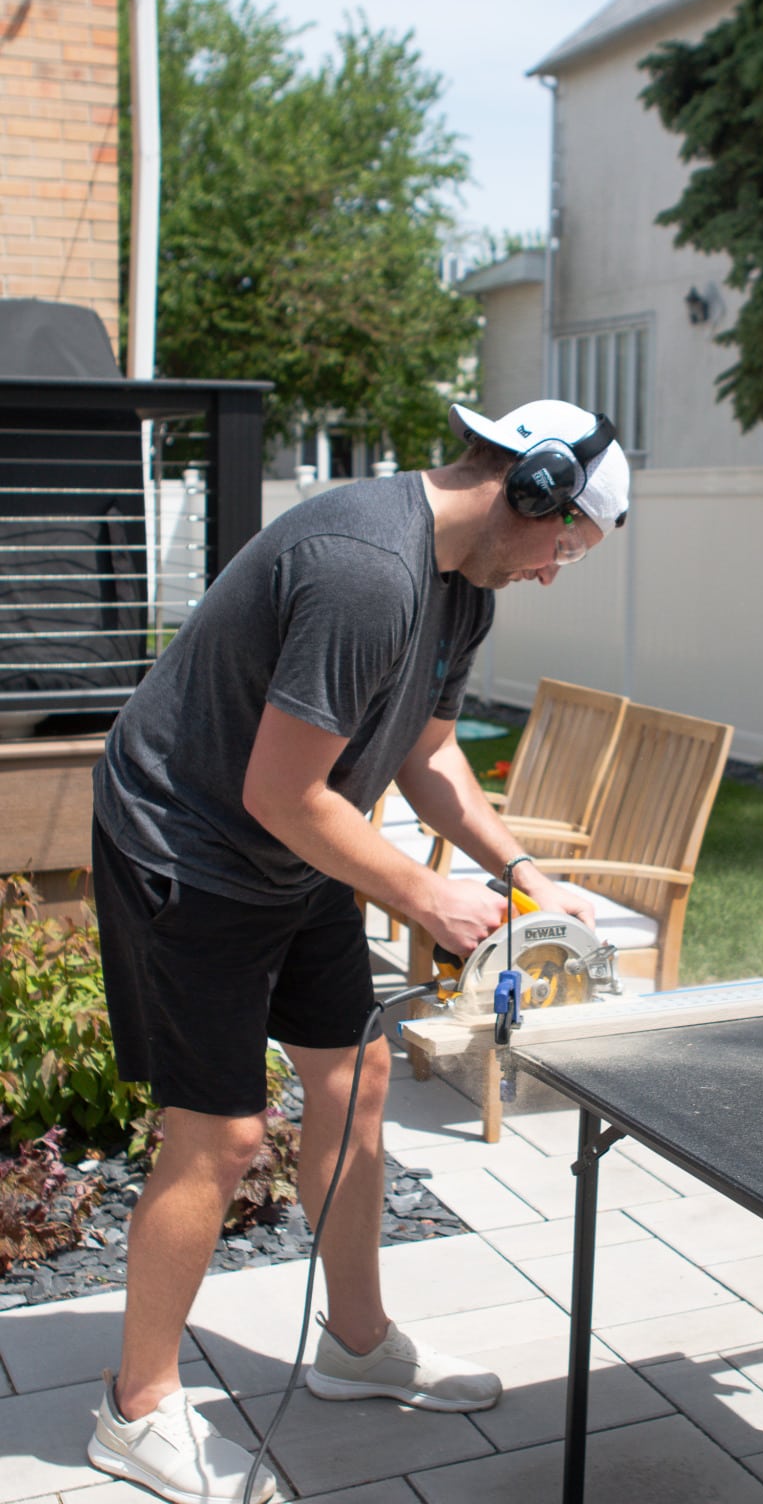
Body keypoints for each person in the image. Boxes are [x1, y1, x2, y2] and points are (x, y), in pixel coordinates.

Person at [86, 397, 630, 1504]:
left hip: (297, 845)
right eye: (564, 542)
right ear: (530, 490)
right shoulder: (362, 570)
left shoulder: (458, 591)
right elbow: (279, 790)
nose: (555, 572)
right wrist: (428, 895)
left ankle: (355, 1345)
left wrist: (521, 874)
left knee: (358, 1076)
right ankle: (134, 1408)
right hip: (188, 848)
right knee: (223, 1135)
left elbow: (429, 762)